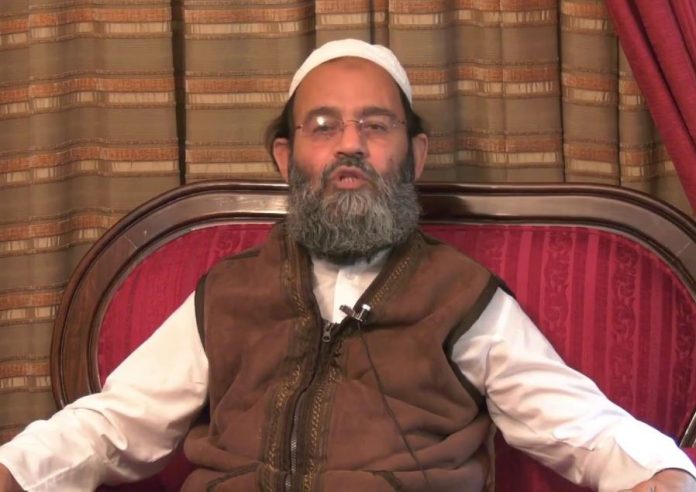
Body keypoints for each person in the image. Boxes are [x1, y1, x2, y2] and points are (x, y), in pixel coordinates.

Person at [0, 39, 694, 492]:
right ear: (287, 157)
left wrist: (661, 474)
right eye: (324, 126)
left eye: (376, 125)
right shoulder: (229, 291)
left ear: (414, 155)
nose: (349, 145)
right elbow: (116, 423)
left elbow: (577, 423)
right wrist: (14, 469)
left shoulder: (460, 294)